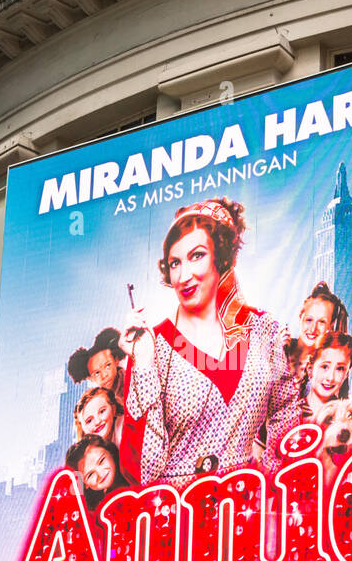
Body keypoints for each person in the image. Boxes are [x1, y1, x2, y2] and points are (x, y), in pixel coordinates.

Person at [118, 197, 301, 487]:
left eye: (197, 256)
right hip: (177, 522)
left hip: (245, 517)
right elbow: (143, 473)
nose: (184, 275)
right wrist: (142, 365)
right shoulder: (151, 346)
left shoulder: (267, 331)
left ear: (222, 256)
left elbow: (287, 419)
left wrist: (269, 488)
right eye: (175, 262)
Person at [65, 434, 128, 512]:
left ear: (110, 452)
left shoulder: (133, 469)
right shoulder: (98, 510)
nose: (100, 474)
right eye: (90, 475)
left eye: (101, 461)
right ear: (85, 485)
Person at [302, 331, 352, 421]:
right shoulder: (290, 411)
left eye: (340, 369)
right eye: (324, 367)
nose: (330, 378)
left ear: (346, 374)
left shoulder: (348, 422)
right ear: (310, 368)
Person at [67, 327, 126, 404]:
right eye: (97, 373)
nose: (104, 375)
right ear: (90, 378)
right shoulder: (103, 400)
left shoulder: (131, 380)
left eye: (107, 365)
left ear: (116, 360)